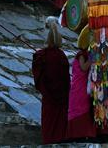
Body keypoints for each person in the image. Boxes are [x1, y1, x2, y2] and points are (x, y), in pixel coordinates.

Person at [33, 16, 70, 144]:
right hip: (62, 101)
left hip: (49, 99)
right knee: (60, 129)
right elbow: (66, 81)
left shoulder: (41, 56)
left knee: (49, 130)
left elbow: (38, 80)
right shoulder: (62, 57)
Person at [67, 27, 96, 140]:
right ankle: (78, 133)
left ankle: (83, 133)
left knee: (83, 108)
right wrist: (93, 58)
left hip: (80, 85)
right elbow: (84, 67)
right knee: (80, 108)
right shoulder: (82, 55)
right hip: (80, 87)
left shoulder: (83, 54)